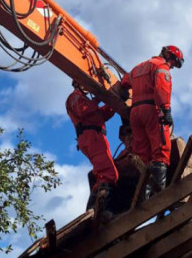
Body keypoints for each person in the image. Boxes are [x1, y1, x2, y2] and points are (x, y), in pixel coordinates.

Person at [120, 45, 184, 198]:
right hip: (151, 109)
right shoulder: (161, 67)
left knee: (142, 152)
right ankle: (159, 190)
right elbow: (162, 89)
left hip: (135, 113)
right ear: (169, 57)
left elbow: (123, 83)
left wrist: (124, 93)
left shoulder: (137, 68)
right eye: (174, 63)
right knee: (161, 146)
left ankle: (143, 192)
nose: (173, 66)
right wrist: (166, 110)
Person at [66, 80, 118, 213]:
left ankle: (95, 209)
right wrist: (99, 97)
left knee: (103, 174)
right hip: (92, 137)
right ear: (78, 83)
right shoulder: (75, 97)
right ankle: (99, 210)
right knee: (109, 174)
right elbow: (85, 110)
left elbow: (100, 115)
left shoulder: (84, 100)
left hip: (92, 136)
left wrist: (113, 104)